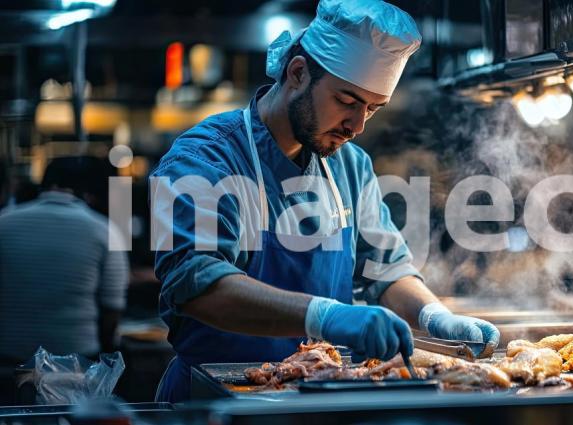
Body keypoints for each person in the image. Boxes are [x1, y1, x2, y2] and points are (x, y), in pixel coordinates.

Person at [150, 0, 500, 403]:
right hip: (217, 399)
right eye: (347, 101)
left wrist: (435, 316)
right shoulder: (206, 159)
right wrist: (327, 316)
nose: (357, 126)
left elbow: (385, 270)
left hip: (321, 397)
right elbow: (198, 285)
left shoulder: (350, 165)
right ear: (298, 73)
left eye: (372, 108)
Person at [0, 157, 129, 404]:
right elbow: (112, 309)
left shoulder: (4, 222)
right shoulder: (104, 230)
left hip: (8, 364)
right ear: (88, 191)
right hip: (77, 368)